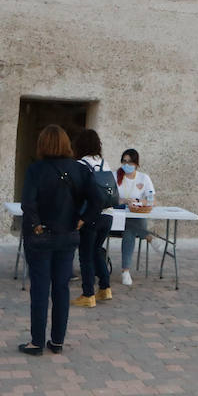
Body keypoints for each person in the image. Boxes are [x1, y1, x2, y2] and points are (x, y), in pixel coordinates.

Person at [16, 125, 87, 356]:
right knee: (61, 288)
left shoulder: (36, 170)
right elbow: (97, 197)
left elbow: (28, 202)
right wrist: (83, 219)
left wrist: (36, 225)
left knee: (40, 288)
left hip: (41, 236)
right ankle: (57, 341)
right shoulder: (79, 169)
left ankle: (37, 341)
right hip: (67, 234)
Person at [71, 128, 114, 307]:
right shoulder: (105, 163)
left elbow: (76, 192)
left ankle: (88, 294)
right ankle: (105, 288)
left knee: (85, 255)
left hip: (91, 216)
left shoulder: (80, 165)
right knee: (97, 251)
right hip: (108, 215)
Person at [115, 148, 156, 286]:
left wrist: (137, 202)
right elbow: (110, 198)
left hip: (135, 216)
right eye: (124, 161)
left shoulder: (144, 178)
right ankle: (148, 236)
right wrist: (124, 201)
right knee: (131, 226)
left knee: (130, 231)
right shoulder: (116, 176)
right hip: (117, 218)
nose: (127, 165)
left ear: (136, 164)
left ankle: (125, 270)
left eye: (130, 162)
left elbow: (151, 200)